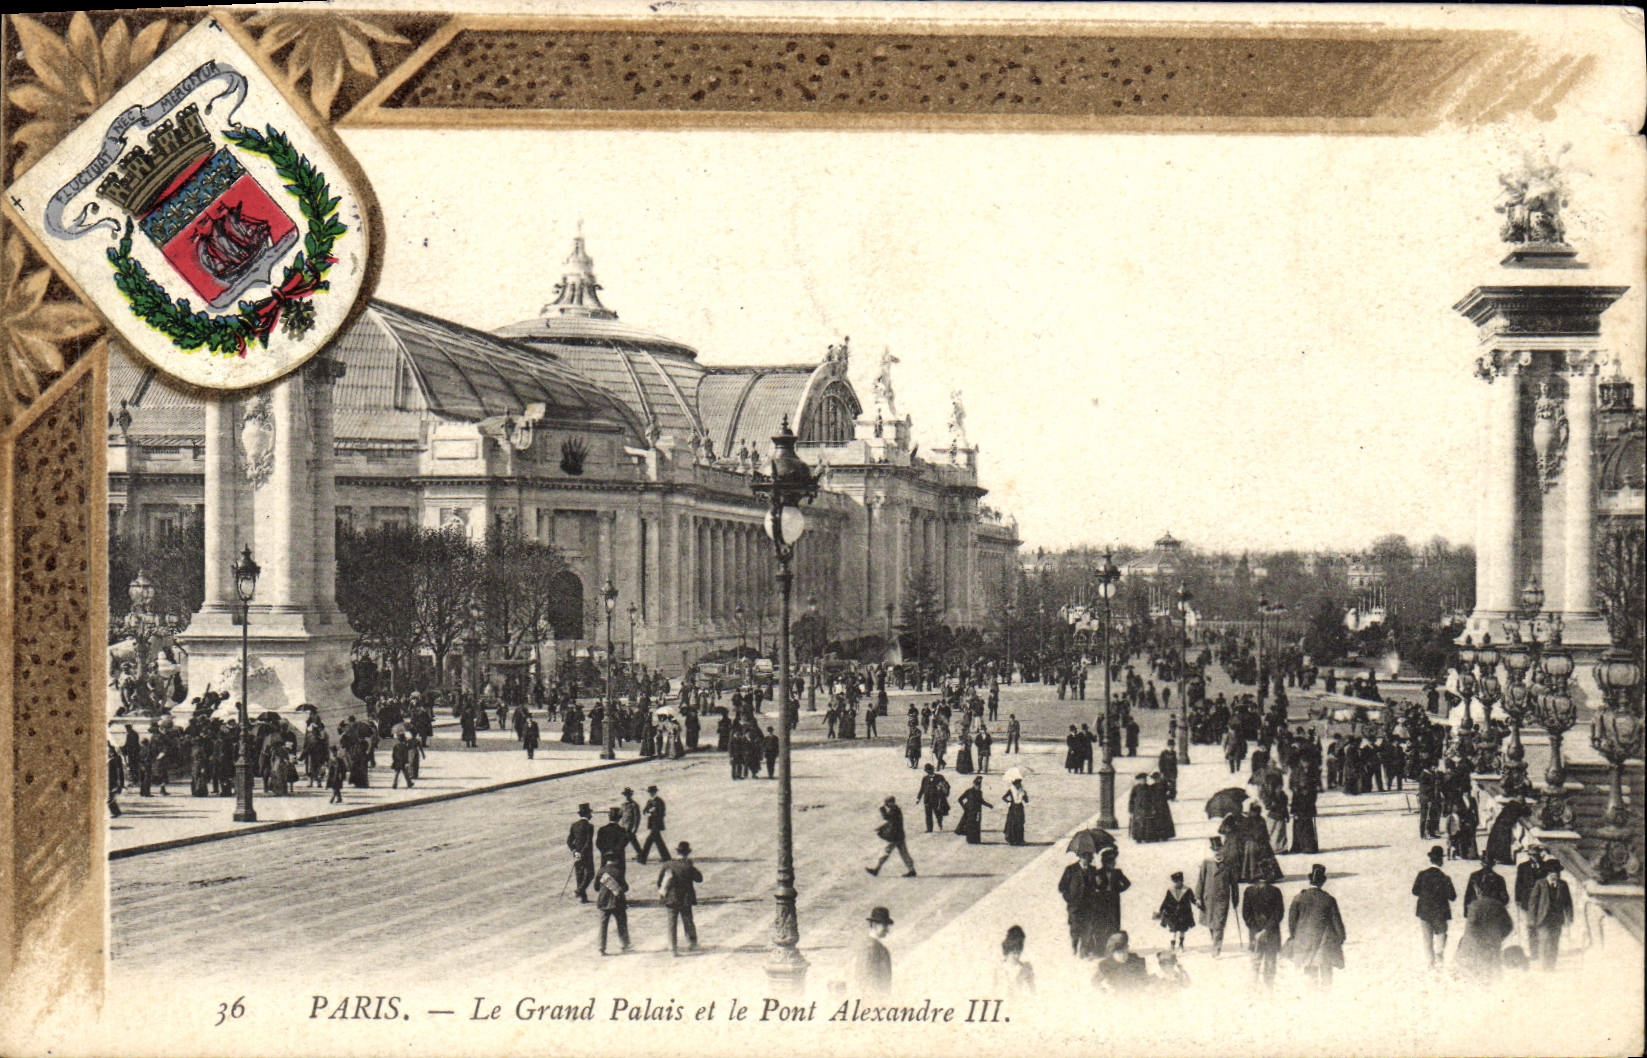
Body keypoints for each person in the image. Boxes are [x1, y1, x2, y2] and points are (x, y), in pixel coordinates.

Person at [1285, 864, 1346, 988]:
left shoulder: (1299, 898)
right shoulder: (1329, 899)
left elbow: (1292, 923)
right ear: (1323, 882)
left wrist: (1295, 937)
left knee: (1310, 971)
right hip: (1324, 942)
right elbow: (1337, 923)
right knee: (1326, 973)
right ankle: (1325, 998)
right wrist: (1340, 938)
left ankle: (1311, 998)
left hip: (1305, 941)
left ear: (1310, 880)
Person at [1454, 887, 1514, 980]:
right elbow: (1509, 926)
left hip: (1478, 946)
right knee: (1494, 973)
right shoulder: (1499, 905)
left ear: (1480, 892)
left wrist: (1475, 940)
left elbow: (1471, 927)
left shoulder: (1474, 905)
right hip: (1494, 943)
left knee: (1478, 974)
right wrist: (1499, 937)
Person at [1412, 845, 1457, 969]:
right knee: (1441, 934)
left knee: (1427, 938)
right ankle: (1439, 954)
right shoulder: (1445, 878)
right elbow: (1453, 896)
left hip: (1424, 911)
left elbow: (1415, 891)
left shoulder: (1422, 875)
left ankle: (1430, 962)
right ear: (1441, 860)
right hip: (1440, 912)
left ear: (1431, 860)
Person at [1526, 859, 1573, 970]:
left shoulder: (1563, 885)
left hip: (1557, 919)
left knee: (1554, 943)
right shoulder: (1540, 884)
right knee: (1544, 941)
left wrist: (1569, 917)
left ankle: (1551, 966)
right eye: (1552, 873)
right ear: (1548, 874)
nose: (1555, 875)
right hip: (1543, 919)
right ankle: (1544, 966)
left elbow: (1568, 903)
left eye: (1556, 873)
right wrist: (1532, 919)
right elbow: (1533, 902)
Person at [1196, 835, 1240, 956]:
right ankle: (1215, 941)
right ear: (1212, 851)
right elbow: (1200, 881)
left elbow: (1234, 885)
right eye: (1215, 851)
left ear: (1223, 850)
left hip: (1222, 899)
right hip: (1208, 899)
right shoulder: (1206, 863)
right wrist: (1198, 898)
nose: (1218, 853)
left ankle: (1216, 948)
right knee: (1211, 924)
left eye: (1219, 850)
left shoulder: (1229, 864)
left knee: (1219, 924)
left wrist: (1235, 900)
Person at [657, 841, 702, 955]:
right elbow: (699, 878)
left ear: (676, 851)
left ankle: (672, 947)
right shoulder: (688, 865)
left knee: (672, 923)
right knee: (688, 921)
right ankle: (692, 943)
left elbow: (659, 882)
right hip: (685, 898)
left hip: (671, 898)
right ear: (687, 853)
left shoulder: (667, 864)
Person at [1243, 874, 1285, 987]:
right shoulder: (1276, 891)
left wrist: (1256, 931)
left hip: (1255, 935)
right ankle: (1269, 991)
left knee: (1255, 963)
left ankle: (1254, 989)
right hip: (1272, 934)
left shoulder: (1249, 891)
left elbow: (1246, 915)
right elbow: (1279, 914)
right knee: (1270, 964)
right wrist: (1266, 929)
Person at [1059, 850, 1101, 957]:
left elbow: (1098, 887)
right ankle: (1074, 946)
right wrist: (1069, 899)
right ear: (1080, 857)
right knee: (1075, 928)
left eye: (1090, 857)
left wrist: (1098, 881)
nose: (1088, 860)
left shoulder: (1093, 870)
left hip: (1088, 905)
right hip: (1075, 906)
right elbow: (1062, 887)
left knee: (1087, 928)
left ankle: (1083, 951)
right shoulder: (1071, 869)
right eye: (1086, 857)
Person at [867, 795, 917, 877]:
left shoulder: (894, 810)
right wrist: (881, 827)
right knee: (904, 854)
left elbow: (887, 818)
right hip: (900, 836)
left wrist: (882, 809)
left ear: (890, 803)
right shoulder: (896, 810)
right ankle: (912, 870)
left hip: (895, 837)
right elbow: (891, 822)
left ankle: (876, 869)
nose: (886, 805)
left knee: (886, 852)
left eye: (887, 803)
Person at [1093, 847, 1131, 954]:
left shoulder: (1117, 872)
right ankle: (1103, 948)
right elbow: (1094, 887)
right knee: (1103, 924)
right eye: (1110, 862)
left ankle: (1115, 947)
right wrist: (1098, 884)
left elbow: (1127, 883)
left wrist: (1118, 890)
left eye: (1113, 862)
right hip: (1102, 902)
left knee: (1115, 924)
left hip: (1114, 902)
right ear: (1105, 863)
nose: (1112, 864)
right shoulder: (1098, 873)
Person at [1155, 870, 1200, 952]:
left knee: (1182, 930)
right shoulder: (1170, 891)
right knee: (1173, 930)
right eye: (1175, 882)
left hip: (1184, 914)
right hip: (1172, 914)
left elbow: (1192, 899)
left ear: (1182, 881)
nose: (1177, 884)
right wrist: (1161, 910)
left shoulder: (1187, 890)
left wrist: (1197, 903)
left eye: (1179, 882)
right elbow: (1166, 901)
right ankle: (1172, 945)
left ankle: (1181, 945)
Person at [595, 852, 631, 955]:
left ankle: (601, 948)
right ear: (616, 860)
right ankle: (625, 945)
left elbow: (596, 887)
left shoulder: (601, 871)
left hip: (603, 901)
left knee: (603, 925)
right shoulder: (618, 872)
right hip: (617, 902)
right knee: (621, 923)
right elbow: (625, 887)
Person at [854, 907, 895, 995]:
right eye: (884, 925)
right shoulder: (870, 948)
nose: (887, 930)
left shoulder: (874, 946)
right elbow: (863, 979)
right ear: (874, 925)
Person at [992, 925, 1035, 995]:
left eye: (1017, 951)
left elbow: (1032, 993)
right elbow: (992, 993)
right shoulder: (998, 969)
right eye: (1012, 952)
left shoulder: (1026, 970)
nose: (1016, 955)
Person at [567, 803, 596, 902]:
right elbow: (588, 842)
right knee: (590, 874)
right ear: (587, 814)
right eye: (590, 813)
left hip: (576, 854)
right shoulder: (590, 826)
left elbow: (569, 841)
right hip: (586, 854)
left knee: (579, 875)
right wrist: (582, 853)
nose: (591, 815)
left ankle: (583, 898)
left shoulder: (574, 825)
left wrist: (575, 851)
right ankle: (579, 891)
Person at [639, 785, 670, 865]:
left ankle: (642, 859)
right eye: (649, 792)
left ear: (655, 792)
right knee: (658, 841)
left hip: (657, 824)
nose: (651, 794)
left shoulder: (659, 801)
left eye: (652, 792)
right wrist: (648, 812)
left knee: (649, 841)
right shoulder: (649, 801)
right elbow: (644, 811)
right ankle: (666, 858)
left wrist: (653, 813)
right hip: (652, 824)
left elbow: (662, 813)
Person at [955, 776, 992, 844]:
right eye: (977, 785)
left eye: (980, 785)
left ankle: (976, 840)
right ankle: (970, 840)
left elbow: (981, 801)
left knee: (977, 825)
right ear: (974, 784)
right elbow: (960, 799)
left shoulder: (980, 792)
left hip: (977, 811)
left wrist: (989, 805)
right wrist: (964, 808)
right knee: (970, 825)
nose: (979, 787)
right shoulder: (968, 791)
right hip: (969, 811)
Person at [595, 806, 630, 877]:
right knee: (619, 880)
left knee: (604, 877)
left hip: (605, 858)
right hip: (618, 858)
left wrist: (605, 851)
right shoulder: (622, 830)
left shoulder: (602, 829)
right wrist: (614, 852)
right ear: (619, 818)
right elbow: (623, 843)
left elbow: (598, 844)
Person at [916, 764, 950, 833]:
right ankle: (929, 829)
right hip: (927, 799)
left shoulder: (940, 777)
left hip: (936, 800)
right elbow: (922, 789)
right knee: (928, 815)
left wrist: (942, 789)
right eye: (927, 770)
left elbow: (946, 786)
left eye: (929, 770)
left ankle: (940, 825)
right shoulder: (925, 778)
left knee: (938, 814)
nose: (928, 772)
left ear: (932, 769)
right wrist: (918, 798)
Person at [1002, 777, 1029, 845]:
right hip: (1013, 808)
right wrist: (1009, 802)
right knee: (1012, 824)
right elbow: (1003, 797)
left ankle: (1020, 839)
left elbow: (1026, 801)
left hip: (1020, 808)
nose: (1019, 785)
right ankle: (1012, 839)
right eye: (1018, 784)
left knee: (1020, 823)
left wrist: (1025, 795)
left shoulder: (1022, 791)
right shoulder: (1011, 790)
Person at [619, 787, 645, 856]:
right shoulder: (623, 805)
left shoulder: (634, 805)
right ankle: (641, 854)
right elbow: (620, 815)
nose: (627, 796)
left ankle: (617, 854)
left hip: (630, 827)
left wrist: (635, 828)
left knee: (624, 842)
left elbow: (637, 817)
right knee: (633, 841)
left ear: (631, 795)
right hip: (623, 827)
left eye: (628, 795)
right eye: (626, 795)